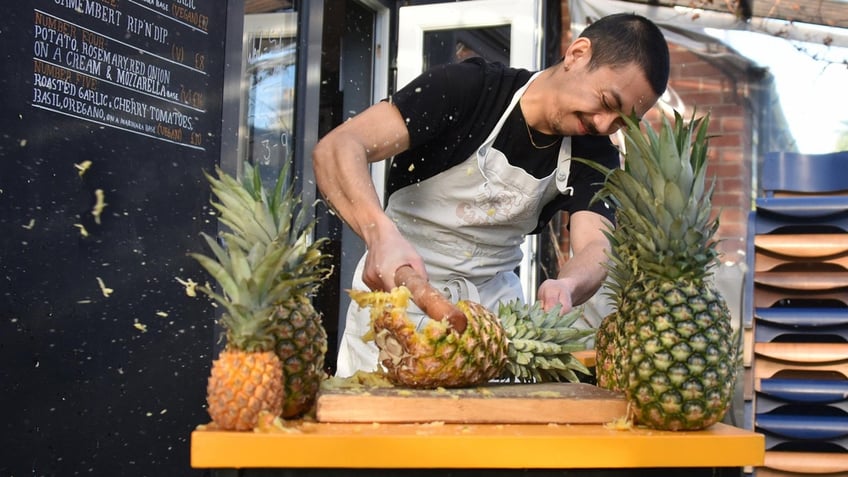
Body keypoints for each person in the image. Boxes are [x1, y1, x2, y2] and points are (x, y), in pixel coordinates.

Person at [313, 12, 670, 377]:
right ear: (577, 54)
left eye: (621, 121)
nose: (602, 125)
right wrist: (379, 233)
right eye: (607, 102)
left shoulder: (594, 150)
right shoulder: (469, 89)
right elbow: (340, 147)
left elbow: (597, 246)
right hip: (398, 301)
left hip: (490, 323)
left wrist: (568, 285)